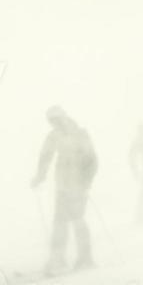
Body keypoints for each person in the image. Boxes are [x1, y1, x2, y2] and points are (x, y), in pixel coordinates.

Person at [31, 105, 99, 274]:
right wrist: (40, 176)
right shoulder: (54, 135)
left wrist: (86, 181)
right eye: (51, 121)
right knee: (59, 222)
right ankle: (57, 258)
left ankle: (85, 257)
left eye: (56, 120)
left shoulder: (80, 134)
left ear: (63, 117)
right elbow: (46, 155)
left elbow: (92, 159)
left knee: (77, 219)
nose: (54, 124)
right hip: (62, 184)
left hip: (78, 185)